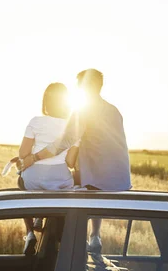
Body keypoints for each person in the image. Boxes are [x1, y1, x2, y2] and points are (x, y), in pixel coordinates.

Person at [20, 69, 131, 253]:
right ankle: (95, 235)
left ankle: (50, 230)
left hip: (98, 178)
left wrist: (34, 157)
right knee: (83, 177)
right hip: (121, 179)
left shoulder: (83, 111)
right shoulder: (114, 110)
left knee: (66, 180)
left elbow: (62, 143)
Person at [17, 82, 78, 253]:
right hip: (60, 181)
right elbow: (71, 162)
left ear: (45, 102)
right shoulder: (73, 127)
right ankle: (40, 218)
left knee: (22, 184)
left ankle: (30, 233)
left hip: (34, 179)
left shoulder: (36, 122)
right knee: (55, 185)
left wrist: (32, 157)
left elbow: (23, 153)